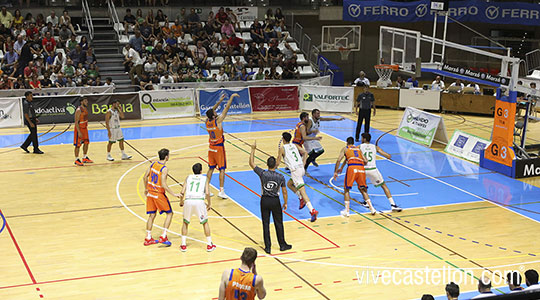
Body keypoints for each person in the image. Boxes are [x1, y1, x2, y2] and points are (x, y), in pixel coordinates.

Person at [249, 141, 292, 254]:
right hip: (275, 201)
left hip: (264, 200)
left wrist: (253, 149)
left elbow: (251, 163)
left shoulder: (263, 174)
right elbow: (284, 191)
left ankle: (268, 247)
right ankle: (282, 245)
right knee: (278, 223)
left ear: (267, 165)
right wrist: (286, 202)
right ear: (276, 165)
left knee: (265, 223)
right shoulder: (280, 176)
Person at [143, 148, 181, 246]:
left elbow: (144, 177)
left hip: (150, 193)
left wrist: (146, 189)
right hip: (158, 194)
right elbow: (164, 184)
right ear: (167, 157)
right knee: (170, 213)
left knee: (151, 215)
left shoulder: (153, 164)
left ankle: (148, 238)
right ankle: (163, 236)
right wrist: (174, 194)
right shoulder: (164, 169)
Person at [277, 132, 318, 222]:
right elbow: (305, 153)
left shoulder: (282, 148)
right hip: (300, 169)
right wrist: (303, 163)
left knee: (303, 192)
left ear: (283, 139)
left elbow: (278, 162)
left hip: (295, 171)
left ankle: (312, 210)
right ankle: (300, 198)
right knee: (289, 184)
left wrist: (274, 166)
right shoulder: (295, 145)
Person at [205, 93, 239, 199]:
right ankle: (221, 190)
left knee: (210, 168)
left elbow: (210, 111)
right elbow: (227, 108)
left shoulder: (207, 121)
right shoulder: (218, 121)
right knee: (222, 169)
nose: (216, 111)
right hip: (219, 148)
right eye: (215, 112)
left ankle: (206, 189)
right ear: (214, 116)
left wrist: (219, 101)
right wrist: (232, 97)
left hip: (211, 148)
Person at [333, 137, 375, 217]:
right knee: (363, 189)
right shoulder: (358, 149)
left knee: (346, 189)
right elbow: (366, 161)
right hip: (361, 168)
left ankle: (347, 211)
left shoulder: (345, 148)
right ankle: (372, 208)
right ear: (353, 143)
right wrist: (343, 167)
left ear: (347, 142)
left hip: (352, 168)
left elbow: (339, 160)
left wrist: (335, 171)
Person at [360, 133, 402, 212]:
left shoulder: (359, 147)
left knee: (363, 186)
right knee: (384, 186)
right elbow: (388, 156)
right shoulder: (375, 147)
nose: (361, 139)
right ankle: (393, 205)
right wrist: (388, 155)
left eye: (362, 138)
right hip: (373, 170)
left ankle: (366, 202)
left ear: (364, 139)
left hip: (363, 170)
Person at [179, 163, 215, 252]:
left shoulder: (188, 177)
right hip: (199, 201)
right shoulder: (204, 178)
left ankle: (183, 245)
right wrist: (209, 203)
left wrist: (181, 201)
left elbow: (182, 192)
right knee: (205, 223)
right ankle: (209, 244)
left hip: (188, 201)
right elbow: (207, 193)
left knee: (185, 222)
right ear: (201, 171)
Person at [74, 97, 92, 166]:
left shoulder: (85, 109)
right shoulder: (79, 110)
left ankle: (84, 157)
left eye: (87, 101)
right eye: (85, 101)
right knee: (78, 145)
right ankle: (76, 159)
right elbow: (76, 122)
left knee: (86, 142)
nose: (86, 102)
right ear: (81, 102)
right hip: (79, 128)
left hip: (85, 128)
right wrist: (79, 131)